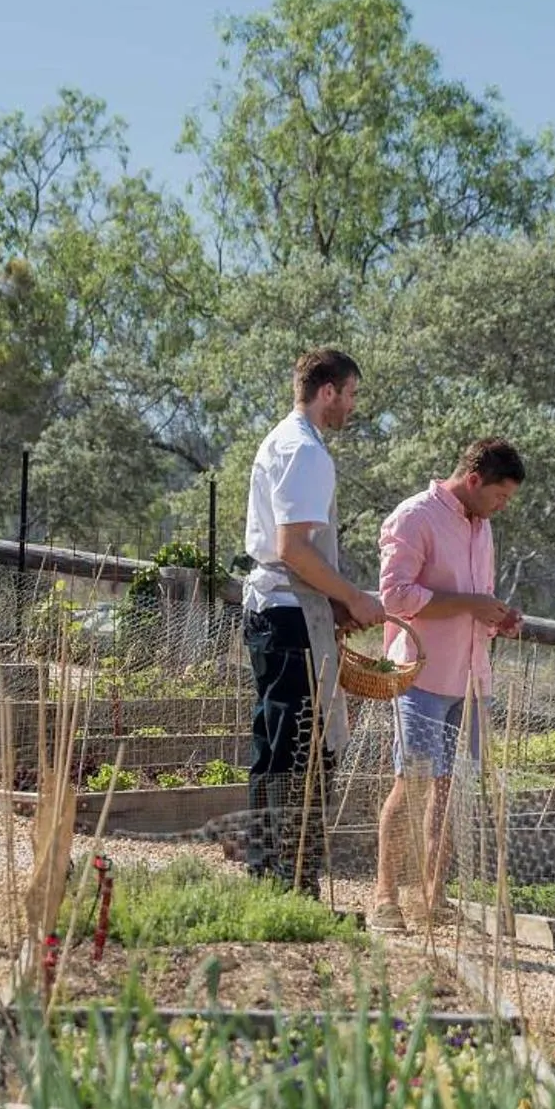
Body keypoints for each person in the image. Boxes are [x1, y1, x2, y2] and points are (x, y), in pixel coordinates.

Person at [239, 348, 386, 899]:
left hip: (278, 607)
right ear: (328, 392)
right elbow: (294, 549)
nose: (352, 406)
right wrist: (353, 597)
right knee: (300, 746)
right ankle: (287, 877)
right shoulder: (305, 450)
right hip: (288, 614)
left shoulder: (284, 441)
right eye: (351, 394)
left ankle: (269, 872)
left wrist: (335, 604)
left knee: (277, 744)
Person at [370, 439, 525, 931]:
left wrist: (496, 617)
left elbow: (477, 599)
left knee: (452, 791)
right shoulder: (414, 516)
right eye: (499, 496)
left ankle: (431, 898)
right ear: (474, 480)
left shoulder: (483, 527)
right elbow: (395, 597)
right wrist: (469, 604)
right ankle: (384, 898)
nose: (502, 507)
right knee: (413, 783)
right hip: (422, 675)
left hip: (473, 679)